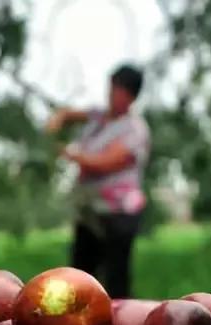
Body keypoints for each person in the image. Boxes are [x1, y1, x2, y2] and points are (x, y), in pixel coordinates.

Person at [46, 64, 151, 299]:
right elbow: (68, 114)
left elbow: (105, 162)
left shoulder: (134, 130)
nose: (111, 95)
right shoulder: (98, 116)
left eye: (118, 91)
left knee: (116, 278)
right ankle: (78, 315)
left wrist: (71, 153)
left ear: (130, 96)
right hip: (90, 211)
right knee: (81, 274)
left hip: (118, 214)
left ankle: (119, 318)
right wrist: (58, 118)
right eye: (111, 88)